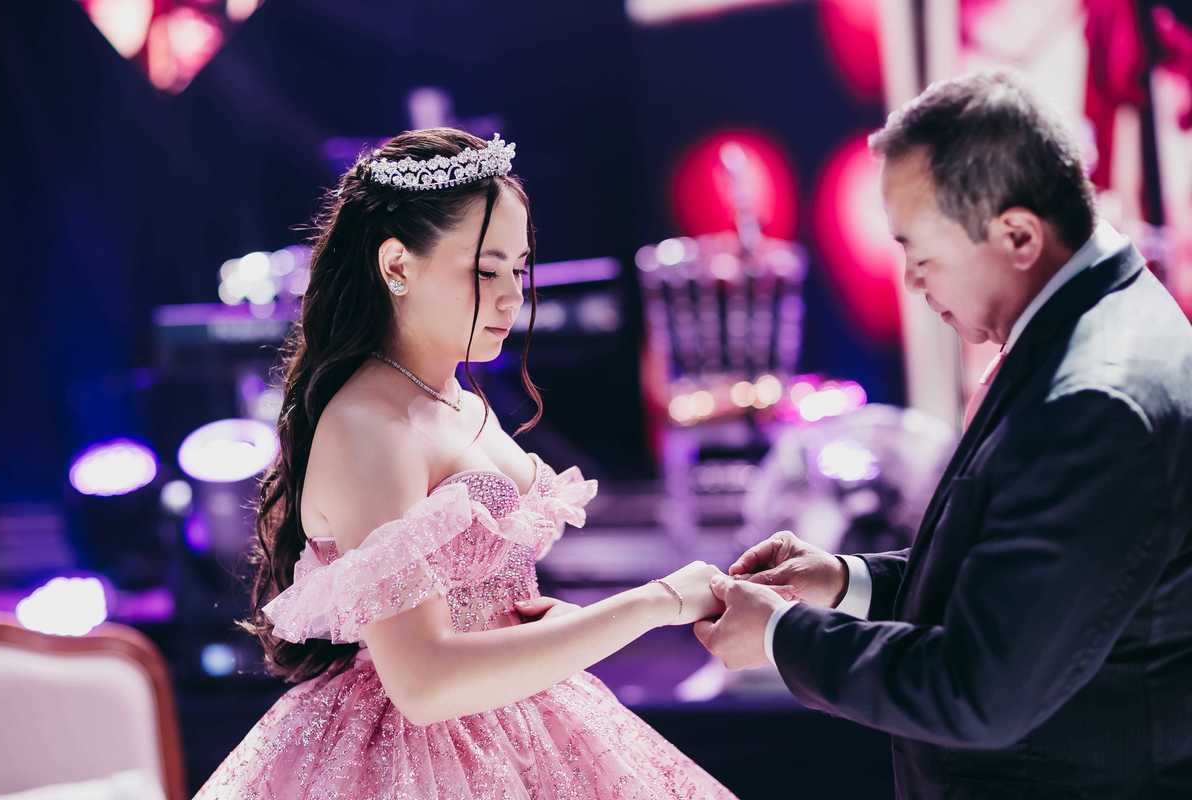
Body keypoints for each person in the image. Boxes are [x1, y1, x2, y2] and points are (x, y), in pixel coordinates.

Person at [194, 128, 735, 799]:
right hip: (416, 761)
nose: (512, 297)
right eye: (485, 270)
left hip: (521, 721)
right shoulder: (371, 425)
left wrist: (560, 624)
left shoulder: (452, 397)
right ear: (397, 265)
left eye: (519, 270)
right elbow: (423, 683)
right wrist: (655, 603)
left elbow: (486, 610)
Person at [695, 71, 1192, 798]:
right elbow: (1023, 586)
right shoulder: (1110, 319)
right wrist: (845, 580)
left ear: (1018, 235)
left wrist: (780, 636)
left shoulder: (1094, 398)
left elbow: (979, 691)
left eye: (921, 255)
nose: (909, 280)